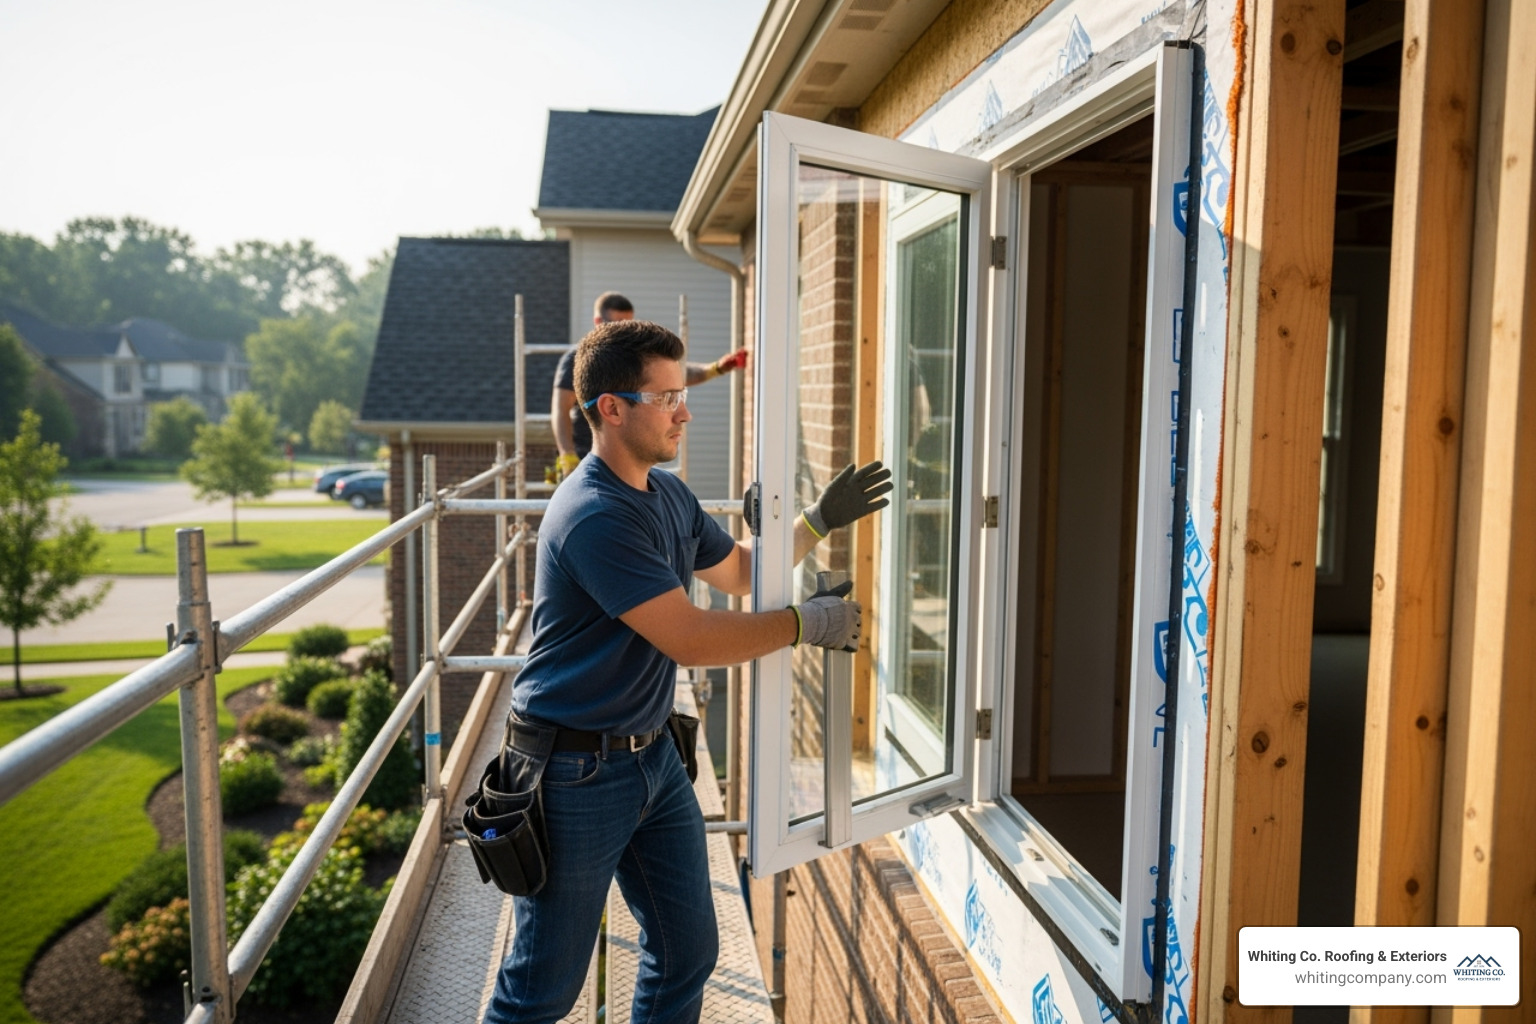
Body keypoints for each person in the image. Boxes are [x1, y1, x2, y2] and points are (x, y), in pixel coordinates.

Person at [483, 319, 891, 1024]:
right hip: (572, 771)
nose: (685, 409)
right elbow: (694, 639)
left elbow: (738, 573)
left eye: (681, 393)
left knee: (686, 952)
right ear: (611, 408)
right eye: (666, 396)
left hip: (652, 761)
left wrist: (817, 521)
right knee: (541, 991)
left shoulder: (666, 496)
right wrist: (803, 625)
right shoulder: (594, 515)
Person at [550, 291, 747, 480]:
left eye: (627, 323)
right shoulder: (579, 360)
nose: (622, 329)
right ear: (597, 322)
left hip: (630, 460)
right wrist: (568, 455)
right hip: (591, 455)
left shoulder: (633, 358)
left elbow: (668, 378)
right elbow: (560, 409)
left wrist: (716, 368)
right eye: (615, 323)